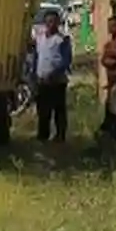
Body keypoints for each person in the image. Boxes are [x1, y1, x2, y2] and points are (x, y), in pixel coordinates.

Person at [34, 8, 73, 143]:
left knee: (59, 110)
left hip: (57, 81)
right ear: (45, 23)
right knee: (43, 110)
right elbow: (37, 57)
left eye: (54, 21)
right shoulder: (40, 39)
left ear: (58, 23)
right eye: (48, 21)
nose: (51, 24)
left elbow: (66, 60)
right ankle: (43, 135)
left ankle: (60, 135)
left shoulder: (62, 40)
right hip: (42, 80)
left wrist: (54, 73)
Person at [98, 15, 116, 139]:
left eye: (114, 26)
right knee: (110, 109)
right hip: (111, 83)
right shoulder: (109, 45)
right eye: (109, 26)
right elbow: (104, 60)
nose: (111, 28)